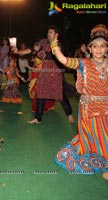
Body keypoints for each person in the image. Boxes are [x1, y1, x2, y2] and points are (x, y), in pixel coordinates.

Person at [51, 24, 108, 179]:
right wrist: (54, 44)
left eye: (102, 46)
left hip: (106, 108)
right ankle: (99, 158)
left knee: (105, 135)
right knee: (91, 136)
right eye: (95, 46)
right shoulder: (84, 63)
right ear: (89, 48)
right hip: (88, 108)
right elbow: (63, 60)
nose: (99, 50)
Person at [14, 25, 74, 124]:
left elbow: (54, 56)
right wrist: (18, 52)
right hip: (44, 73)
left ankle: (70, 114)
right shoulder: (43, 42)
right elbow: (32, 49)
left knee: (61, 95)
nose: (48, 34)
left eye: (50, 32)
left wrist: (40, 51)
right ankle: (38, 118)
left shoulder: (59, 45)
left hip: (55, 74)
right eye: (48, 32)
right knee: (40, 93)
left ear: (56, 35)